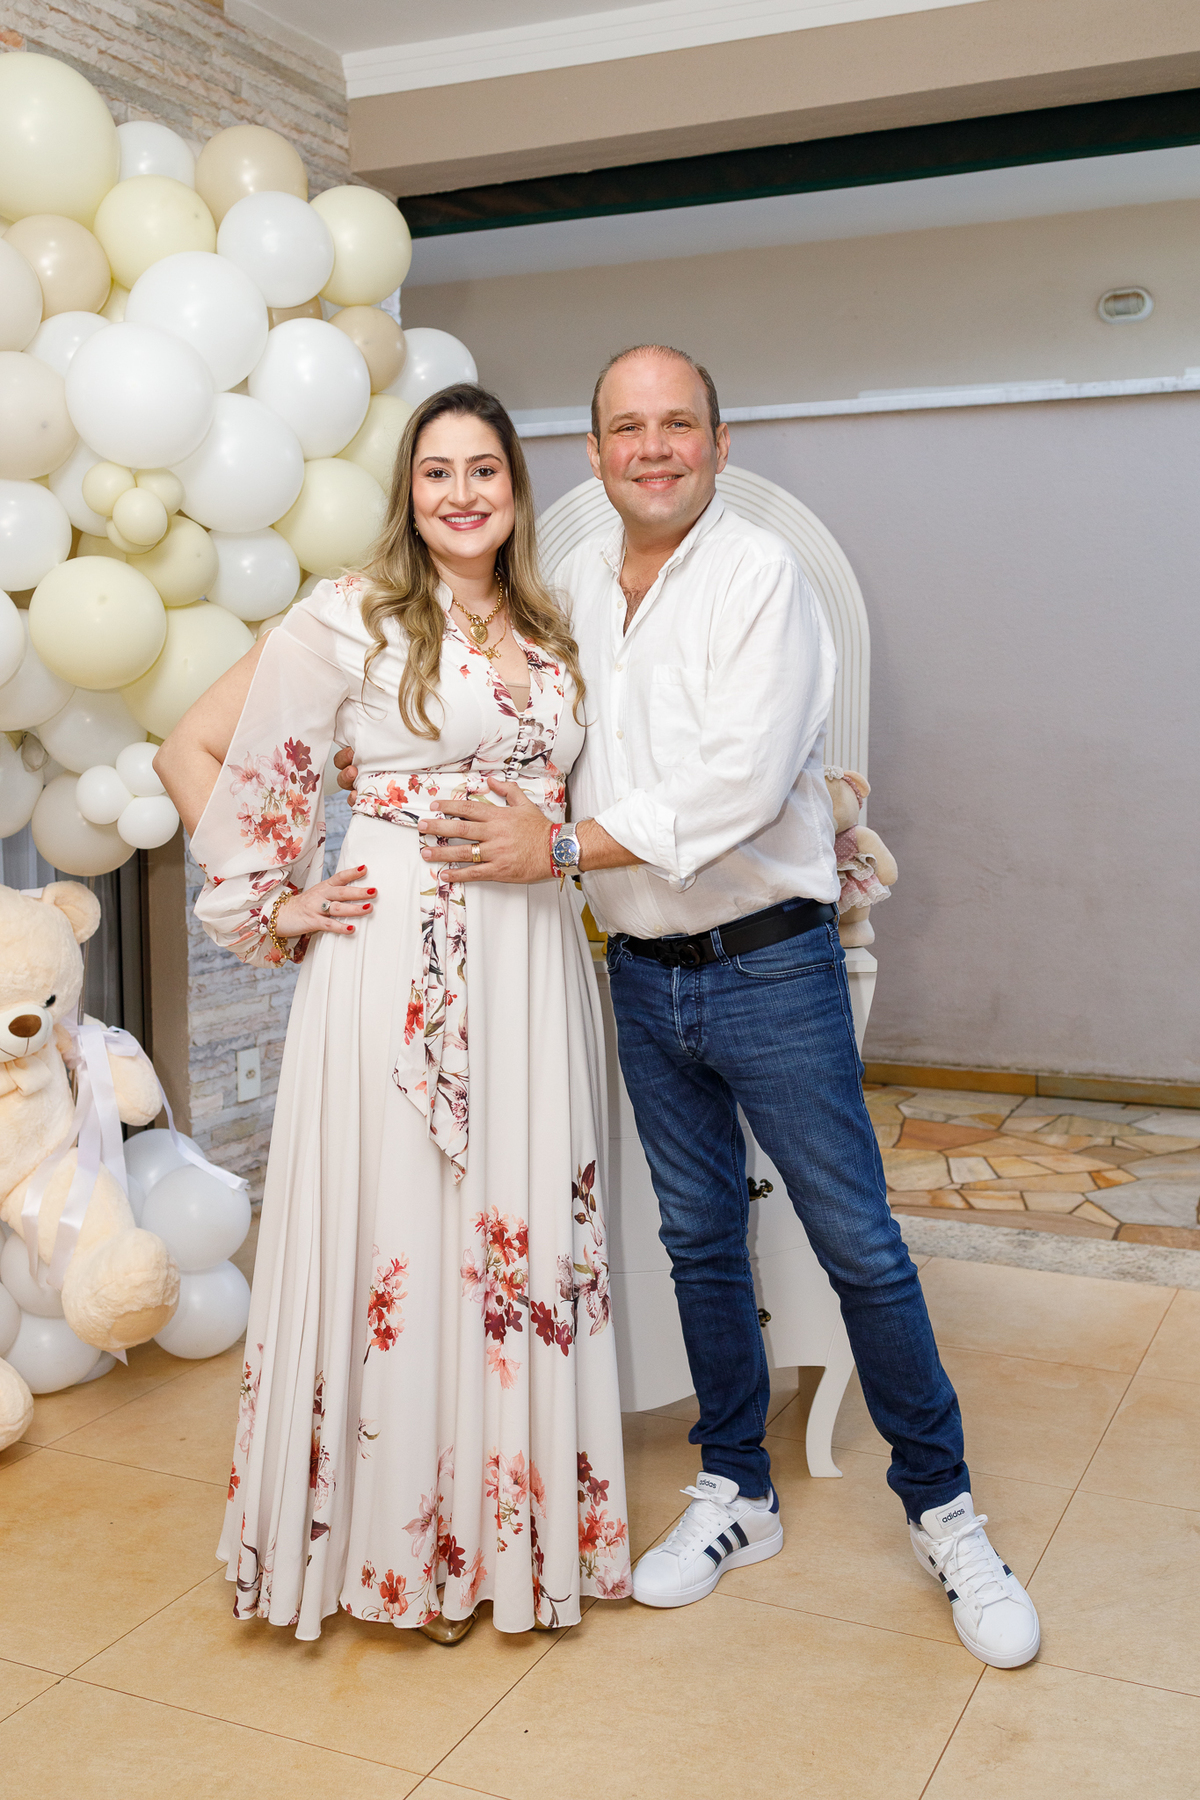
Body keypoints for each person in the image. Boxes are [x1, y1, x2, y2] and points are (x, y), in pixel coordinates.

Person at [337, 344, 1040, 1671]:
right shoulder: (568, 600)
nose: (652, 448)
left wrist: (551, 847)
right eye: (627, 427)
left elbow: (740, 783)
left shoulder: (759, 577)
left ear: (719, 444)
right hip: (640, 972)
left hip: (772, 966)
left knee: (860, 1246)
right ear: (594, 453)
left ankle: (947, 1515)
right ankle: (736, 1489)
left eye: (677, 426)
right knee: (701, 1242)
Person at [154, 383, 631, 1647]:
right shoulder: (350, 616)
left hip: (532, 963)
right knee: (406, 1234)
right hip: (391, 971)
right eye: (436, 472)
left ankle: (503, 1541)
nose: (462, 493)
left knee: (513, 1232)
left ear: (516, 488)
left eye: (484, 470)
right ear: (407, 496)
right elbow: (190, 749)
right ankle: (399, 1552)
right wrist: (276, 899)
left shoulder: (555, 625)